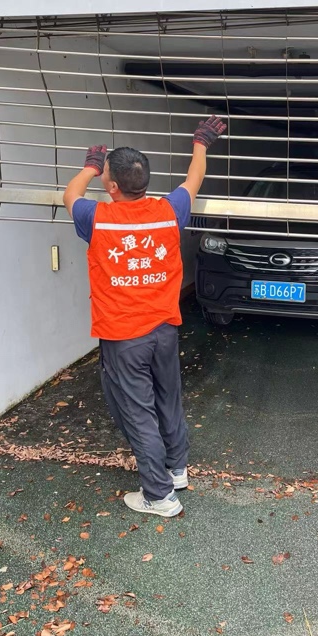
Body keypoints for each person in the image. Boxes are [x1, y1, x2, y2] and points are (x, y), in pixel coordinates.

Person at [63, 115, 227, 517]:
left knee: (138, 414)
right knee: (168, 399)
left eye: (105, 175)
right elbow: (194, 179)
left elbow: (70, 194)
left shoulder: (98, 217)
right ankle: (177, 470)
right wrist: (201, 141)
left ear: (112, 186)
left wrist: (90, 165)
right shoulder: (169, 210)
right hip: (163, 331)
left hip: (123, 338)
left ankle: (158, 495)